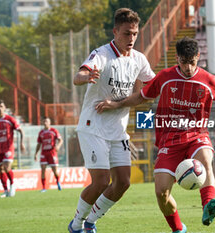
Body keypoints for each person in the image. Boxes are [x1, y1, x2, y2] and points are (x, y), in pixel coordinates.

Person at [96, 37, 215, 233]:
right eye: (184, 62)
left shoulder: (209, 80)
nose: (188, 67)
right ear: (177, 58)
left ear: (198, 57)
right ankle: (178, 229)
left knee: (205, 159)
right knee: (161, 192)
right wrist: (117, 104)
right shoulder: (165, 77)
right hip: (169, 142)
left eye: (192, 62)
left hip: (197, 136)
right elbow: (141, 96)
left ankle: (208, 205)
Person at [67, 8, 155, 233]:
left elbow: (152, 87)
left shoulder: (138, 59)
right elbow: (79, 76)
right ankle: (76, 225)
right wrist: (86, 77)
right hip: (93, 126)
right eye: (127, 33)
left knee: (124, 182)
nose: (131, 38)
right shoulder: (102, 54)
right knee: (100, 181)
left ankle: (90, 222)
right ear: (115, 31)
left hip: (118, 130)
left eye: (134, 33)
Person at [0, 99, 25, 198]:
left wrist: (21, 143)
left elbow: (20, 130)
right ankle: (5, 190)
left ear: (5, 108)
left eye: (1, 106)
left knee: (7, 167)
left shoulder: (10, 119)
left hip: (8, 148)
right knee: (0, 169)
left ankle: (12, 185)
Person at [34, 117, 63, 192]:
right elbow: (39, 144)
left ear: (49, 122)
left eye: (46, 121)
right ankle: (43, 188)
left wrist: (58, 146)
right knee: (43, 169)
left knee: (54, 170)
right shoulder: (41, 133)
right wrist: (36, 154)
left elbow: (60, 140)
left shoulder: (54, 131)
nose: (45, 123)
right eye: (44, 121)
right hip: (44, 153)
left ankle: (58, 182)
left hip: (52, 153)